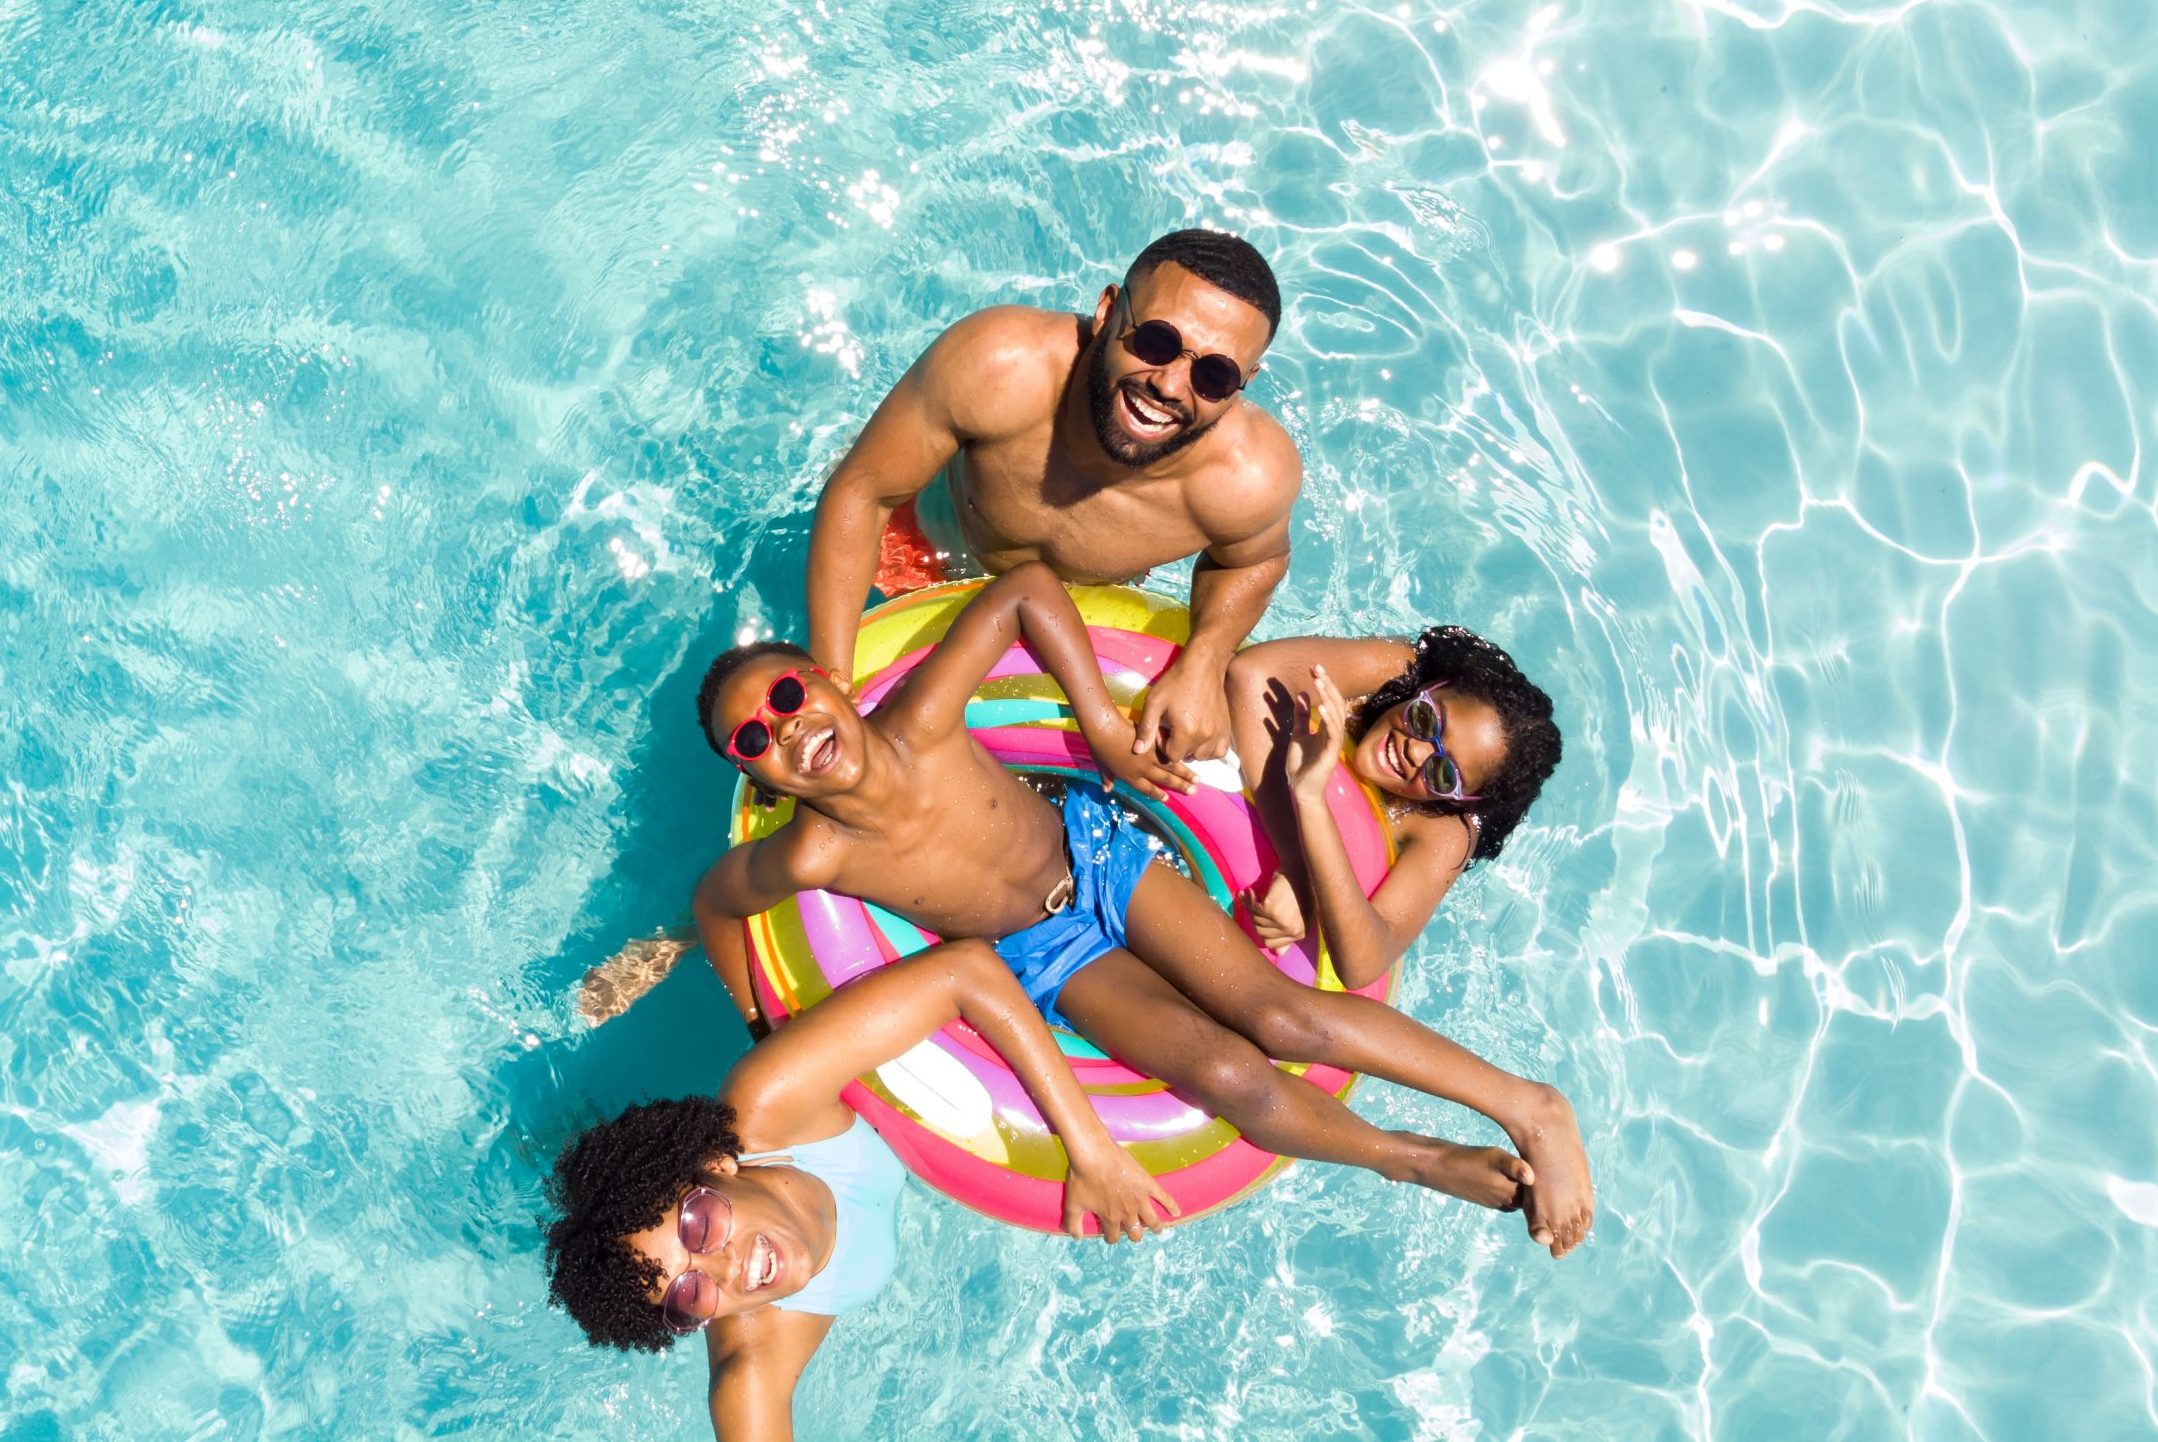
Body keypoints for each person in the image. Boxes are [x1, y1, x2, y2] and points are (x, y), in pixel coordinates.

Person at [606, 564, 1591, 1253]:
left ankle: (1527, 1103)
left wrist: (1107, 736)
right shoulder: (810, 852)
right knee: (1222, 1075)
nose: (785, 728)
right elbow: (718, 899)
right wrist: (756, 1011)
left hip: (1103, 854)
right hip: (1044, 954)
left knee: (1278, 1013)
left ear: (828, 679)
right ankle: (1414, 1159)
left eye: (785, 695)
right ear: (750, 769)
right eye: (752, 737)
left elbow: (1027, 589)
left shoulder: (925, 713)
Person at [545, 940, 1176, 1442]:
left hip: (821, 1057)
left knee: (761, 999)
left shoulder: (767, 1106)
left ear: (716, 1166)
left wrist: (1090, 1146)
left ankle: (685, 930)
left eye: (700, 1226)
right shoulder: (754, 1366)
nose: (728, 1269)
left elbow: (966, 970)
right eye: (687, 1294)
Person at [805, 228, 1301, 763]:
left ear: (1246, 380)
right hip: (919, 561)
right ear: (1107, 310)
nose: (1171, 386)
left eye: (1215, 374)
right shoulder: (1000, 366)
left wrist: (1203, 659)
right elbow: (865, 491)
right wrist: (827, 682)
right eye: (1156, 341)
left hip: (1073, 616)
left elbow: (1255, 562)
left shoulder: (1249, 477)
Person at [1224, 627, 1565, 991]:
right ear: (1430, 689)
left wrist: (1313, 809)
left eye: (1443, 773)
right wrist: (1295, 864)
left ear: (1460, 800)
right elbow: (1251, 674)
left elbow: (1364, 962)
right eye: (1426, 720)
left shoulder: (1446, 829)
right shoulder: (1391, 670)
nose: (1415, 752)